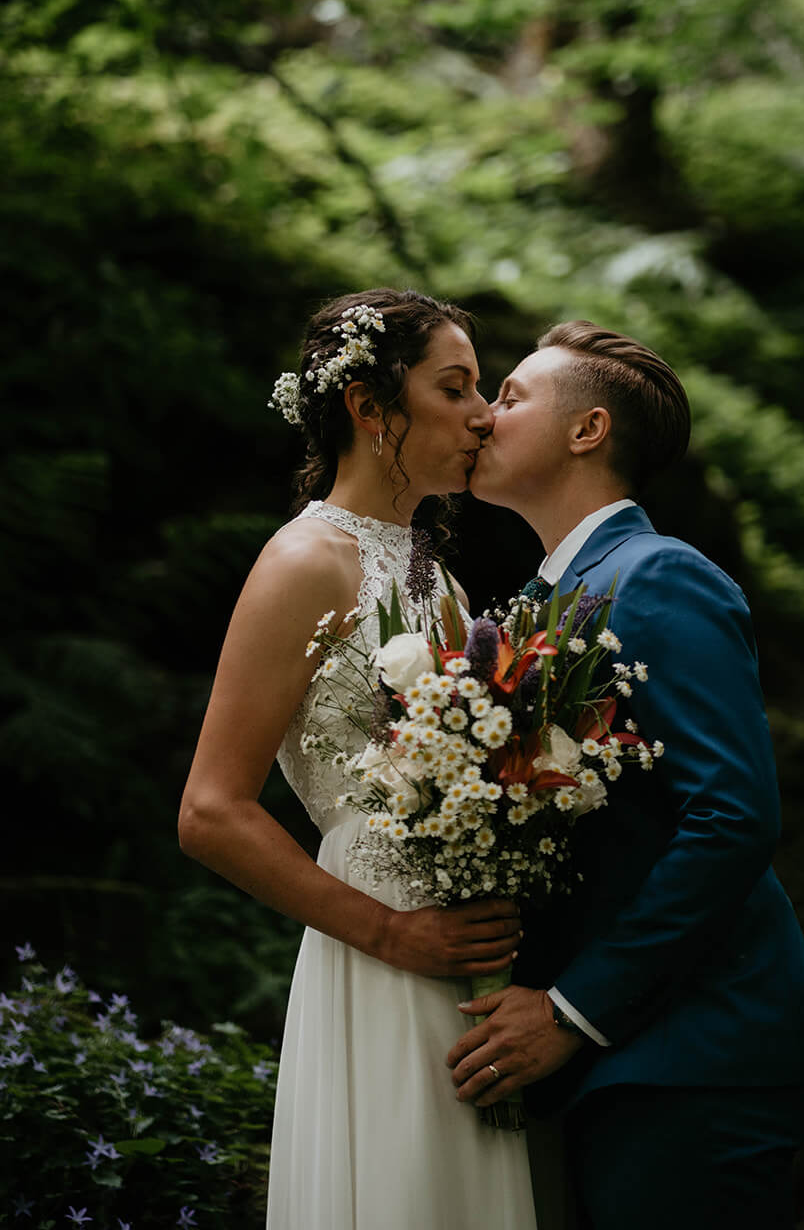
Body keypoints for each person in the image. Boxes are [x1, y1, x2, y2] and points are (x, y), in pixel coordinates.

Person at [447, 320, 804, 1230]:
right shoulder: (546, 597)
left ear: (587, 431)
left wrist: (572, 1010)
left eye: (509, 398)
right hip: (621, 1062)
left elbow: (732, 818)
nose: (482, 417)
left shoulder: (660, 575)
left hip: (696, 1057)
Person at [178, 288, 537, 1230]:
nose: (482, 415)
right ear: (370, 409)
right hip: (380, 942)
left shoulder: (438, 577)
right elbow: (210, 812)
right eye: (453, 388)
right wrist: (387, 935)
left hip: (468, 950)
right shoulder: (306, 562)